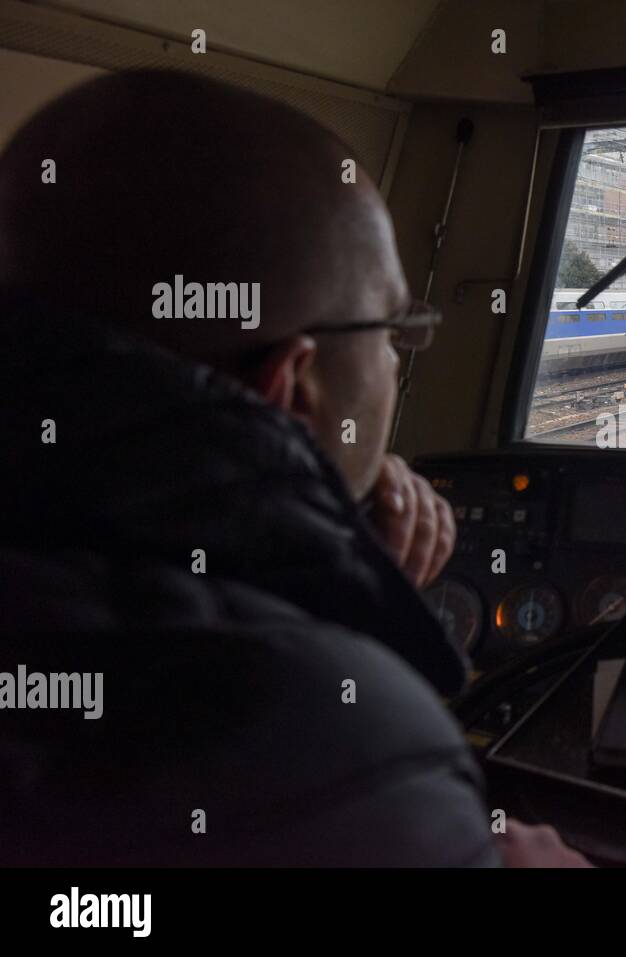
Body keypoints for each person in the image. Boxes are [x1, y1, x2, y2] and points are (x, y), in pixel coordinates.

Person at [0, 70, 587, 867]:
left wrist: (319, 577)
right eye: (394, 331)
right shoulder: (344, 752)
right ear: (293, 384)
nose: (397, 359)